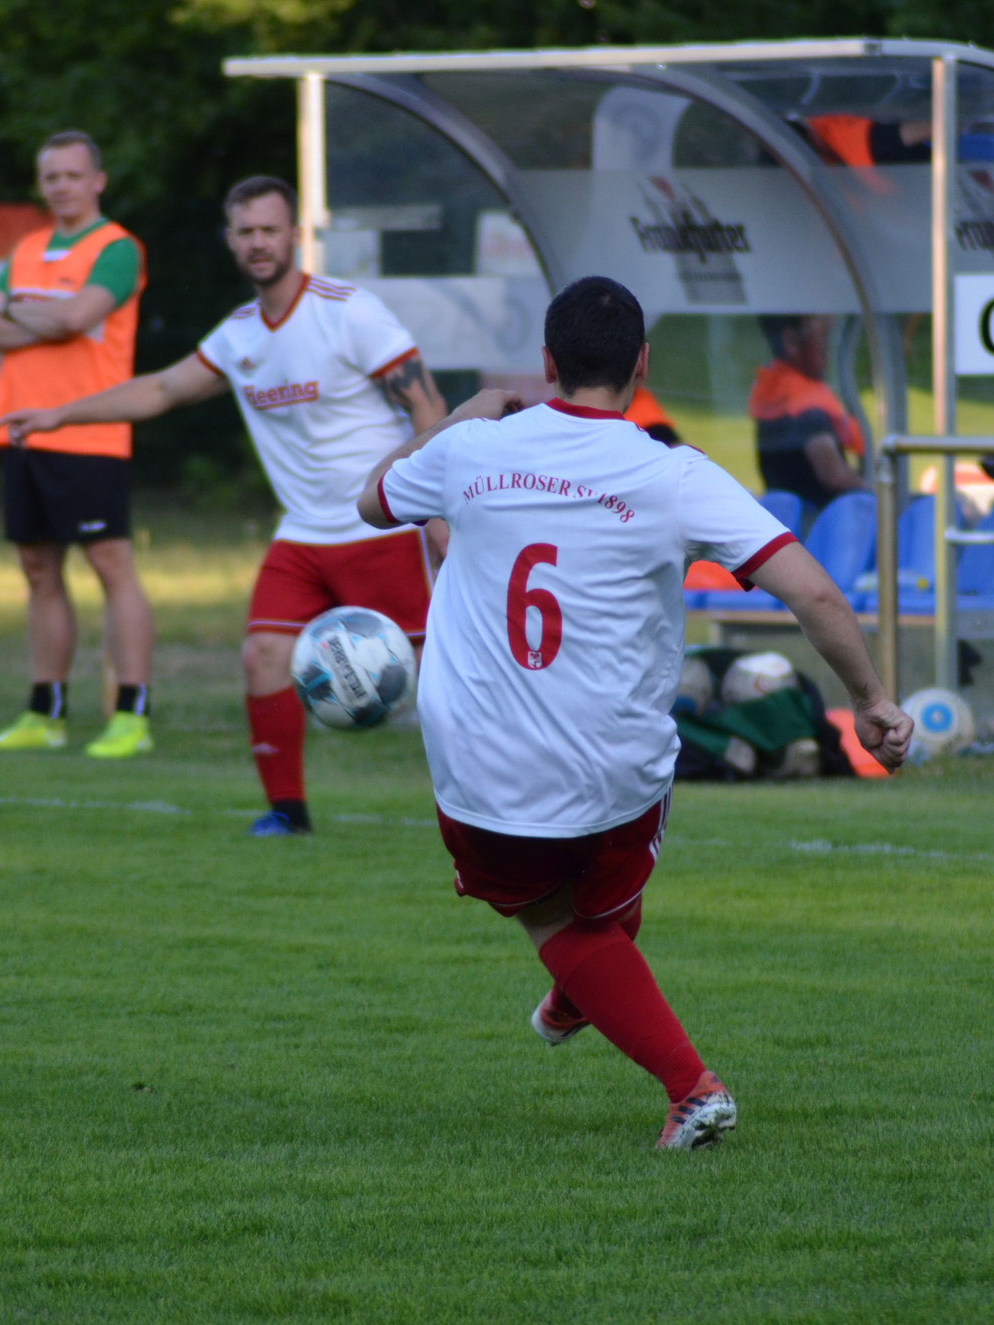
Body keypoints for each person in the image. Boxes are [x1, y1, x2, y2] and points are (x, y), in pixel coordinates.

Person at [355, 277, 913, 1149]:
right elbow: (812, 590)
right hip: (623, 769)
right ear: (641, 364)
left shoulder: (471, 451)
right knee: (602, 902)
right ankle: (582, 994)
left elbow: (371, 498)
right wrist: (871, 700)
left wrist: (458, 415)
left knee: (556, 920)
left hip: (485, 765)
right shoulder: (672, 472)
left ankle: (691, 1088)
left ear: (546, 364)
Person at [0, 175, 448, 836]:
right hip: (301, 536)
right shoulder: (238, 336)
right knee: (262, 654)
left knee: (445, 678)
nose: (258, 243)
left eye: (270, 229)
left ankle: (504, 801)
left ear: (294, 235)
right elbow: (159, 391)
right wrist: (59, 414)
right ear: (230, 241)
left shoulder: (347, 310)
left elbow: (427, 406)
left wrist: (429, 507)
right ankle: (286, 812)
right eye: (246, 232)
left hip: (378, 527)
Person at [0, 130, 154, 759]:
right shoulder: (25, 250)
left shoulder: (117, 249)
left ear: (97, 180)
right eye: (51, 177)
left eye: (73, 175)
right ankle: (44, 711)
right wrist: (41, 314)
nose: (61, 187)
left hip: (87, 428)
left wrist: (20, 312)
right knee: (38, 569)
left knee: (110, 565)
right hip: (22, 428)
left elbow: (77, 320)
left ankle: (132, 713)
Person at [751, 314, 868, 513]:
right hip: (817, 524)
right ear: (791, 340)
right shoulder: (806, 410)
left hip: (787, 518)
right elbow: (834, 476)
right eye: (822, 335)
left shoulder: (777, 395)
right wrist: (877, 493)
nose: (831, 323)